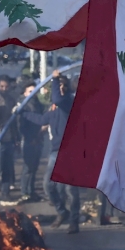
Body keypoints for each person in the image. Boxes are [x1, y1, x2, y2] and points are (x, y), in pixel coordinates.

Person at [21, 71, 81, 233]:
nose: (60, 88)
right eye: (59, 86)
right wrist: (23, 113)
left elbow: (57, 98)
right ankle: (63, 212)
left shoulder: (69, 102)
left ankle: (74, 221)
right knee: (48, 186)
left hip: (70, 151)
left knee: (70, 189)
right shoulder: (54, 107)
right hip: (56, 151)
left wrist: (55, 79)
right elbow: (42, 120)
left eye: (63, 86)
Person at [17, 82, 45, 203]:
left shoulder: (37, 103)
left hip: (38, 138)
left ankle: (31, 191)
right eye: (30, 91)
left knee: (34, 167)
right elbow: (21, 125)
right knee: (28, 167)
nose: (33, 93)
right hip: (29, 140)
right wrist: (30, 138)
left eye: (34, 91)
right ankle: (24, 192)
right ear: (24, 92)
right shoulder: (24, 105)